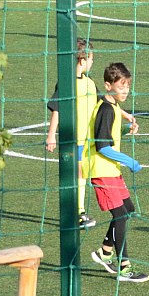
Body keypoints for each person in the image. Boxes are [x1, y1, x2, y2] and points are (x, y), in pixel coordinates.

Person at [84, 63, 149, 283]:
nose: (125, 91)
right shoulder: (105, 109)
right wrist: (129, 161)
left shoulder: (112, 107)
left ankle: (105, 251)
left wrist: (125, 129)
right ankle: (124, 267)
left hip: (111, 171)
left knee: (127, 210)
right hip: (101, 171)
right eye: (121, 86)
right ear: (108, 85)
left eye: (127, 86)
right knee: (120, 215)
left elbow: (107, 136)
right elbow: (102, 146)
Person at [45, 39, 98, 230]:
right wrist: (51, 135)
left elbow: (103, 104)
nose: (92, 62)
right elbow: (57, 109)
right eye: (91, 59)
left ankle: (78, 212)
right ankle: (78, 213)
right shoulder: (67, 84)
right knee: (78, 175)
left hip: (88, 140)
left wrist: (125, 116)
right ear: (82, 60)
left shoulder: (90, 83)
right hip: (73, 139)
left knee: (82, 174)